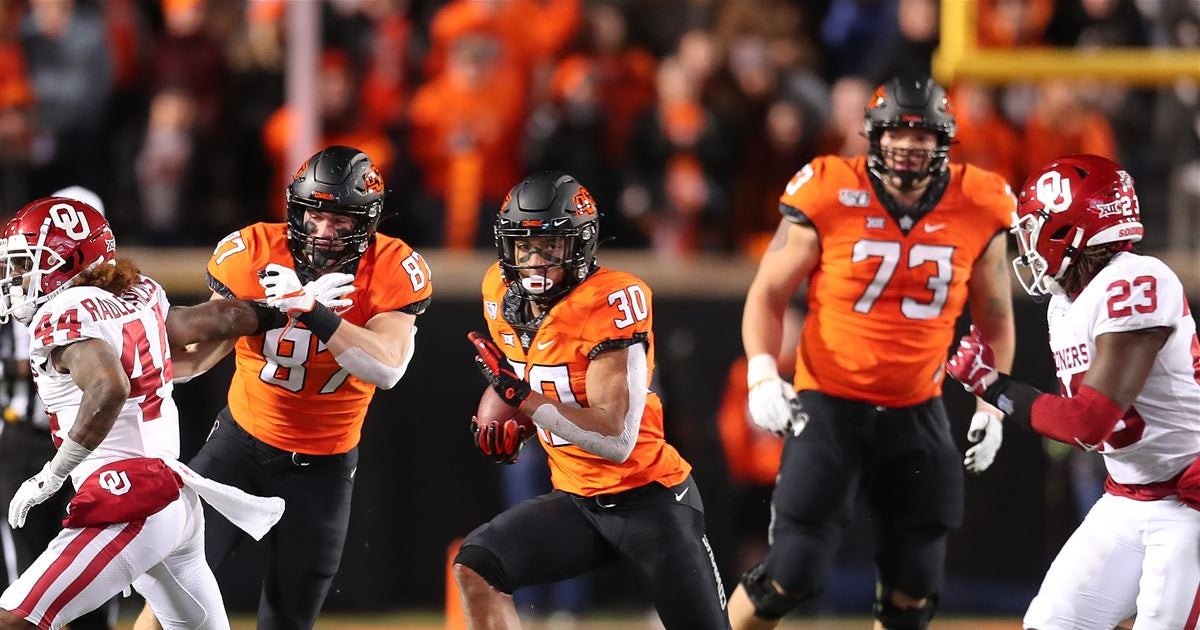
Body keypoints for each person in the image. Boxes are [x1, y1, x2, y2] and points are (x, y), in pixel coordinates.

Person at [728, 76, 1017, 630]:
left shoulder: (980, 201)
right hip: (829, 405)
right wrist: (762, 373)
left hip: (916, 410)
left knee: (914, 592)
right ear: (873, 136)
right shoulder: (829, 187)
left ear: (944, 142)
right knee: (790, 573)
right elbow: (766, 294)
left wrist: (992, 405)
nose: (908, 145)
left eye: (922, 134)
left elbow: (996, 319)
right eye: (896, 133)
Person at [135, 145, 432, 630]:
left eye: (340, 220)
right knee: (172, 589)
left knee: (289, 618)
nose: (325, 231)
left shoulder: (391, 266)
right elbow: (197, 357)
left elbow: (388, 368)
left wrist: (312, 312)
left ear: (367, 222)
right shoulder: (253, 252)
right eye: (315, 215)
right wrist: (131, 367)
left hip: (325, 466)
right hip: (239, 446)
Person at [454, 172, 730, 629]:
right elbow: (532, 381)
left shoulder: (611, 300)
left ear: (580, 246)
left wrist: (521, 399)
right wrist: (512, 423)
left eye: (550, 247)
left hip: (651, 500)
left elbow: (615, 438)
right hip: (577, 501)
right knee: (477, 566)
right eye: (525, 247)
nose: (535, 262)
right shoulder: (499, 294)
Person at [0, 195, 285, 630]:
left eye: (25, 264)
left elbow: (109, 388)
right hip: (173, 499)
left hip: (128, 499)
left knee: (16, 616)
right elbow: (217, 320)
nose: (14, 277)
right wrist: (287, 309)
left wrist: (51, 476)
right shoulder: (135, 296)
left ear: (65, 261)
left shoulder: (62, 314)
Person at [946, 154, 1200, 630]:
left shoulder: (1136, 280)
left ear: (1068, 228)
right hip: (1126, 497)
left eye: (1033, 227)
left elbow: (1089, 422)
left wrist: (994, 387)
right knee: (1051, 623)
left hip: (1188, 504)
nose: (1026, 243)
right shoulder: (1064, 303)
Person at [0, 188, 116, 630]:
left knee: (91, 572)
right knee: (28, 576)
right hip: (25, 436)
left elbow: (112, 385)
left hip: (92, 446)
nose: (18, 273)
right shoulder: (22, 295)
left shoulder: (118, 301)